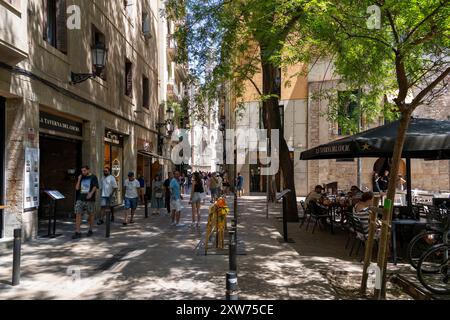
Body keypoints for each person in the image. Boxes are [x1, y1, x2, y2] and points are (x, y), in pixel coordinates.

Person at [73, 165, 99, 239]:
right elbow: (77, 188)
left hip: (89, 199)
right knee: (78, 213)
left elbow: (95, 187)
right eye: (82, 171)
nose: (83, 172)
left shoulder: (93, 177)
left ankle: (90, 229)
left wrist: (91, 193)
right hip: (80, 198)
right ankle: (78, 231)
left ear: (88, 170)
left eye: (84, 170)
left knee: (91, 214)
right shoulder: (81, 177)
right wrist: (79, 179)